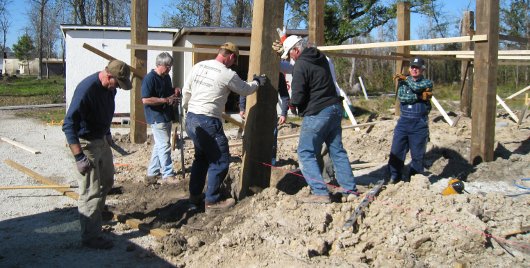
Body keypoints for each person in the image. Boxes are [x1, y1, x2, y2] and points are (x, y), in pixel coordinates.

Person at [181, 42, 267, 212]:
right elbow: (245, 89)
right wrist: (257, 82)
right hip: (207, 121)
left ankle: (195, 196)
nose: (233, 64)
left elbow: (186, 91)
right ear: (232, 57)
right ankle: (212, 201)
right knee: (220, 161)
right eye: (234, 61)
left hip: (191, 119)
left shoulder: (199, 66)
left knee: (201, 158)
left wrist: (188, 109)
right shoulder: (227, 73)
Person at [62, 60, 132, 249]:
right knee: (90, 191)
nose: (116, 88)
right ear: (109, 76)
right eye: (116, 83)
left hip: (101, 139)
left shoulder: (110, 89)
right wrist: (79, 157)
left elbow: (105, 112)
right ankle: (90, 236)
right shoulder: (86, 90)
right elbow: (68, 125)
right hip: (85, 143)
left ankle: (96, 217)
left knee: (107, 181)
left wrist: (107, 133)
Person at [280, 35, 358, 203]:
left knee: (305, 152)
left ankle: (320, 192)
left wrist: (293, 105)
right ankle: (350, 189)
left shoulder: (300, 64)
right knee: (336, 150)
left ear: (296, 50)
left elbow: (299, 93)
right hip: (335, 107)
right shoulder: (320, 57)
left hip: (318, 111)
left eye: (289, 54)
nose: (290, 58)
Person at [388, 57, 433, 183]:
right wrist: (419, 96)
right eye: (412, 67)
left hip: (419, 123)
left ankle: (414, 179)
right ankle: (394, 176)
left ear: (422, 69)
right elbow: (403, 98)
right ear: (409, 68)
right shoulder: (403, 83)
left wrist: (409, 82)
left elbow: (416, 86)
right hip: (404, 122)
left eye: (417, 67)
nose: (414, 69)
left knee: (417, 155)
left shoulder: (427, 83)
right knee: (396, 151)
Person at [141, 52, 180, 184]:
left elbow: (167, 92)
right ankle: (168, 175)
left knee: (159, 145)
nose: (170, 69)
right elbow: (145, 99)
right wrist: (164, 100)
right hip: (156, 117)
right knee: (164, 145)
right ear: (159, 64)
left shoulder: (166, 77)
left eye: (170, 66)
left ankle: (152, 173)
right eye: (168, 66)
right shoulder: (149, 79)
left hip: (166, 115)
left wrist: (174, 90)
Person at [239, 72, 290, 166]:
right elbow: (244, 90)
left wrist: (284, 113)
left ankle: (271, 164)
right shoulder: (253, 71)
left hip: (270, 111)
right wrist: (242, 108)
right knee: (251, 138)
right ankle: (251, 163)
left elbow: (284, 95)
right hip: (253, 110)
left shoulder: (278, 76)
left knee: (271, 140)